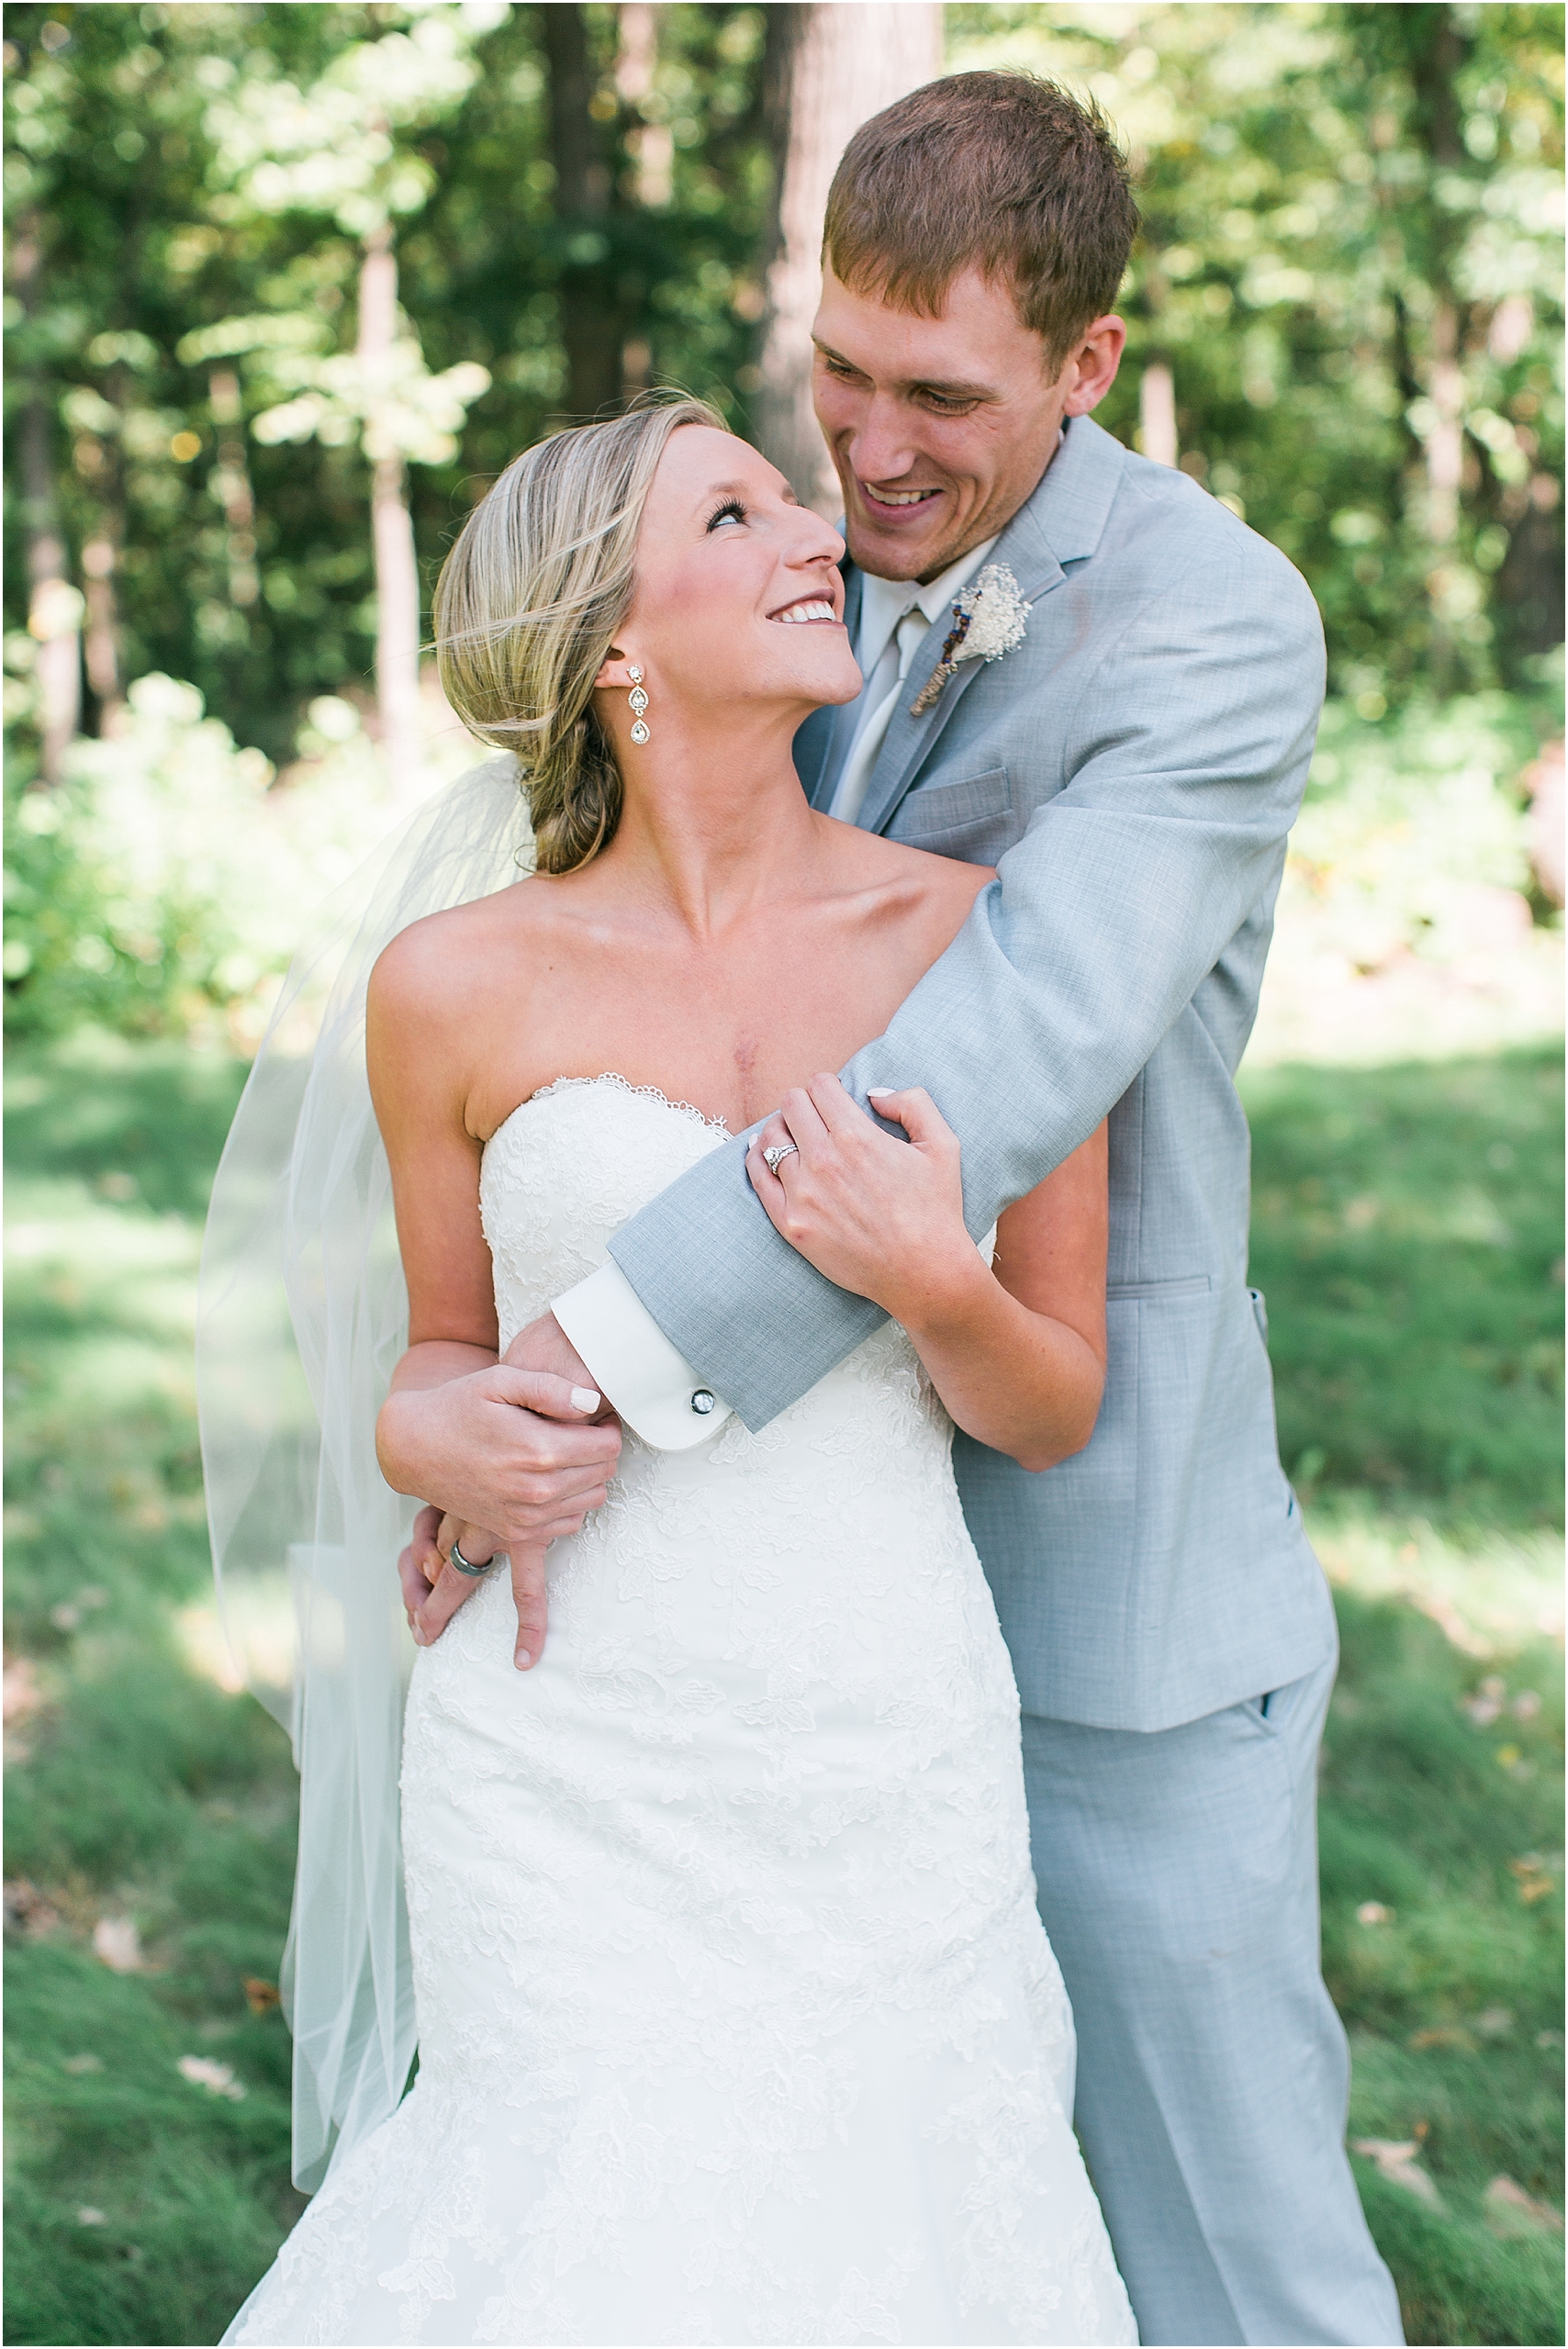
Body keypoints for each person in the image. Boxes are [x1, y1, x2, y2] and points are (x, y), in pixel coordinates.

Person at [383, 73, 1404, 2349]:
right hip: (730, 1649)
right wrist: (444, 1405)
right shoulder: (804, 579)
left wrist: (572, 1368)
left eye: (936, 394)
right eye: (832, 373)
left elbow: (1007, 1044)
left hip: (1092, 1603)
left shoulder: (1210, 630)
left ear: (1084, 366)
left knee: (1216, 2265)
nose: (864, 451)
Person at [220, 397, 1137, 2345]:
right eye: (739, 508)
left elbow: (1051, 1396)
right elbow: (438, 1361)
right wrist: (425, 1428)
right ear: (613, 645)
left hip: (878, 1735)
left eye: (788, 496)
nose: (817, 526)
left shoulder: (979, 943)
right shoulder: (450, 986)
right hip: (561, 1751)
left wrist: (929, 1282)